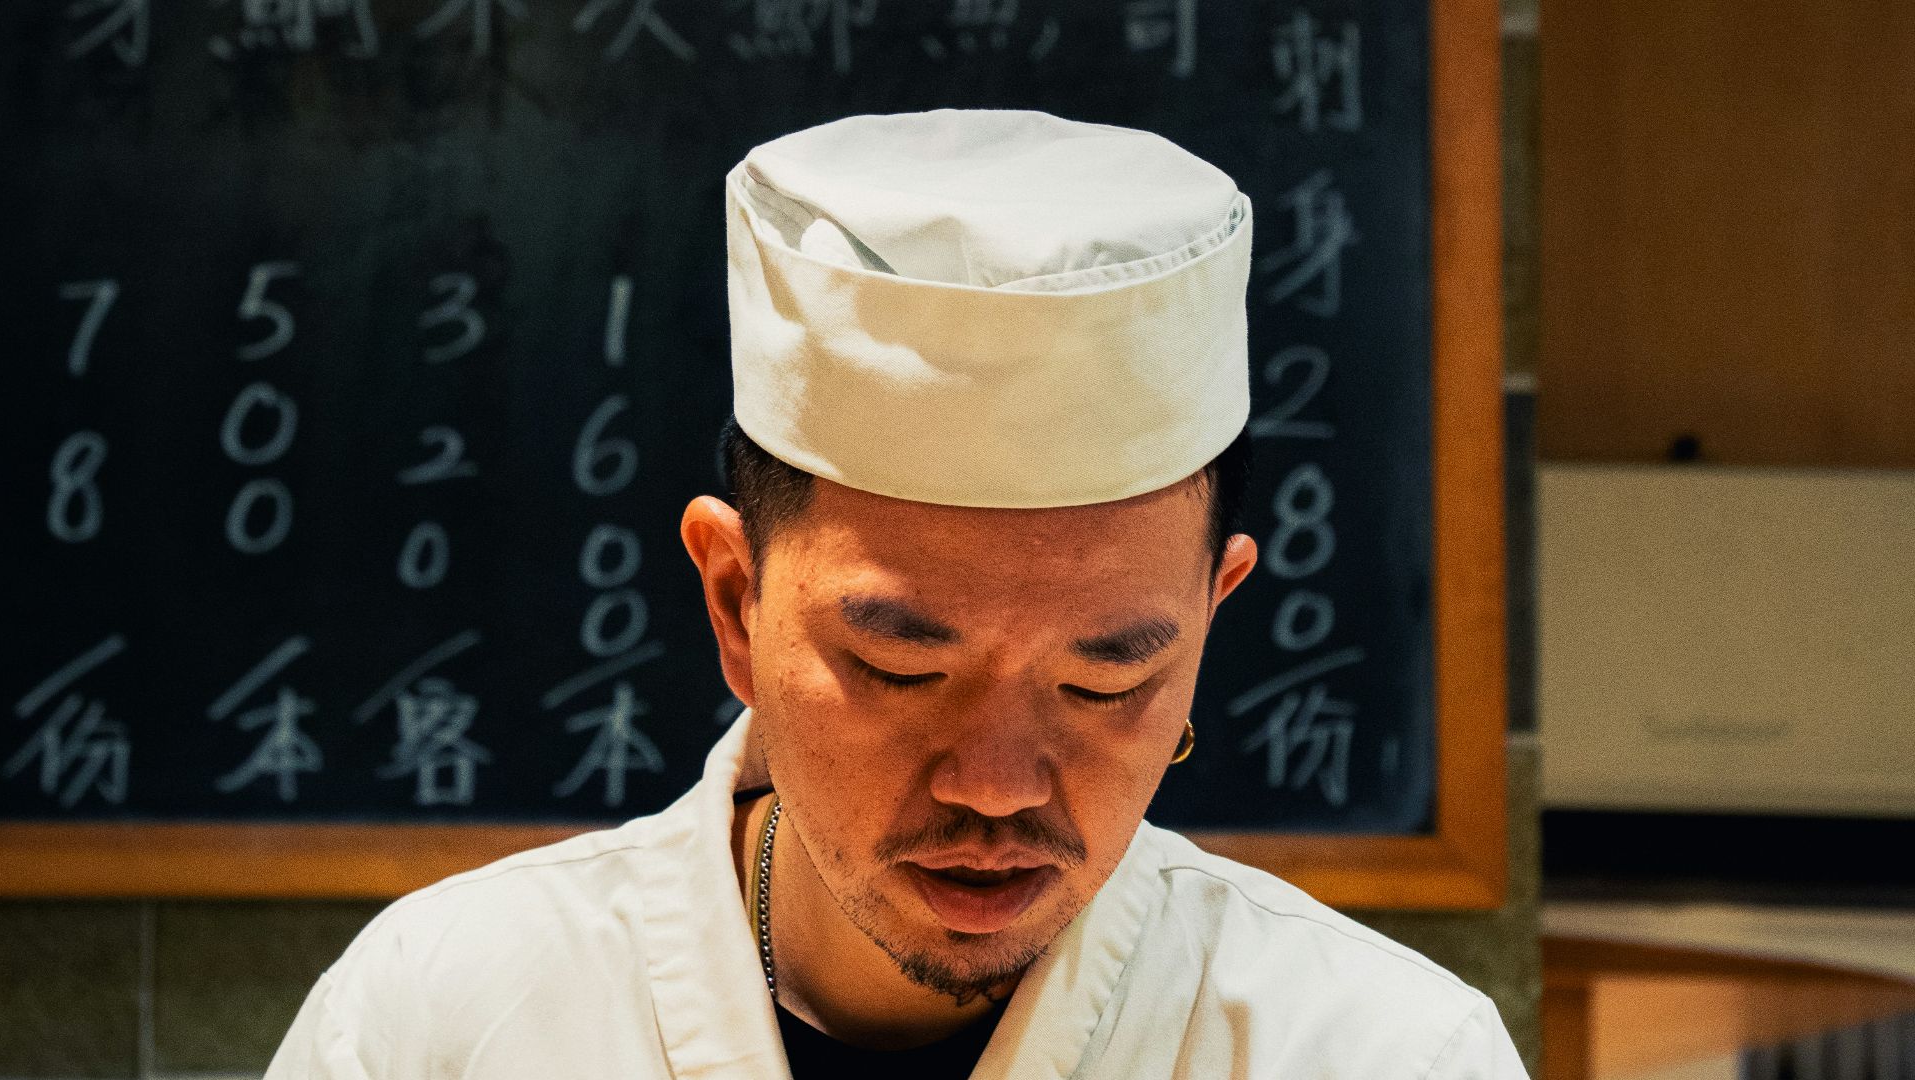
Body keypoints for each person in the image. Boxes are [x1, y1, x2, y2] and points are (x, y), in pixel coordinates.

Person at [263, 109, 1529, 1079]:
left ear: (1213, 615)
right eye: (901, 668)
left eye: (1106, 680)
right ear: (732, 600)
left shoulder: (1379, 1051)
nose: (994, 782)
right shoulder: (444, 1020)